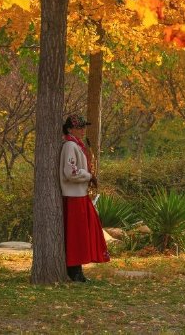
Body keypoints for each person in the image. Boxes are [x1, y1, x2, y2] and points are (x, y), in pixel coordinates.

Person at [60, 114, 109, 282]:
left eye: (83, 127)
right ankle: (74, 271)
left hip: (79, 194)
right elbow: (70, 172)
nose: (83, 130)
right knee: (76, 235)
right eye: (79, 127)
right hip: (73, 196)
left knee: (81, 234)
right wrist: (88, 176)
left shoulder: (77, 145)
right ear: (70, 129)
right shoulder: (70, 146)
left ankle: (76, 269)